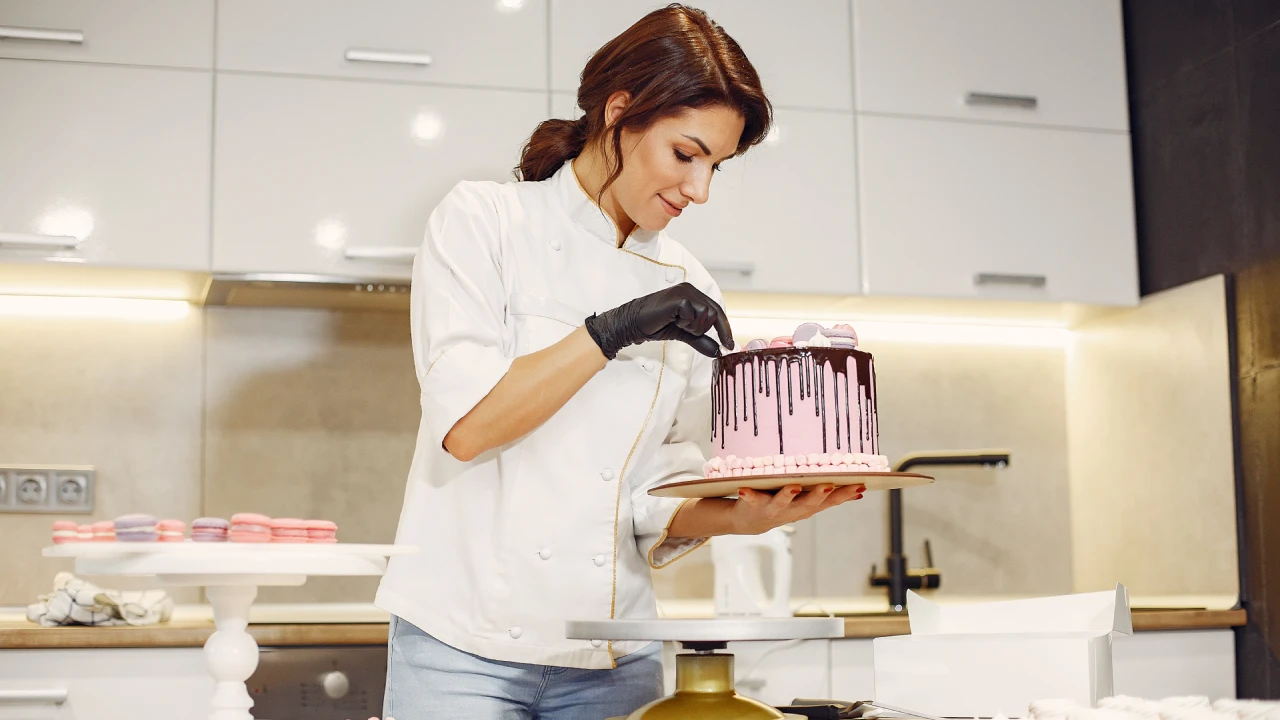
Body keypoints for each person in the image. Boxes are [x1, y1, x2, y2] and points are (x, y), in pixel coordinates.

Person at [376, 5, 865, 718]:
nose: (700, 190)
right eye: (685, 154)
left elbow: (645, 503)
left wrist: (746, 516)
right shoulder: (484, 222)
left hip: (613, 655)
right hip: (461, 646)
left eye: (716, 167)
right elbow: (469, 428)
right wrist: (613, 331)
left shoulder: (689, 283)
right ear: (619, 112)